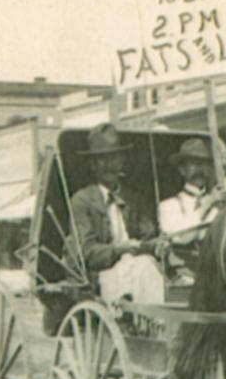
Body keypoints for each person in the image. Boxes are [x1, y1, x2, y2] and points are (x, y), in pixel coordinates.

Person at [67, 123, 164, 304]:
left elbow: (148, 237)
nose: (109, 165)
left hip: (138, 268)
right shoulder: (82, 201)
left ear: (122, 161)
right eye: (102, 160)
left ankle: (155, 322)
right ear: (93, 165)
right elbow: (85, 252)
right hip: (102, 275)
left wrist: (157, 245)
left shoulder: (134, 199)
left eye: (114, 158)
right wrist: (119, 250)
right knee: (142, 267)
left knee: (146, 266)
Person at [157, 137, 226, 285]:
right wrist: (206, 205)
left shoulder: (219, 203)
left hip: (219, 275)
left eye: (203, 164)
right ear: (182, 170)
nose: (200, 170)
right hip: (187, 278)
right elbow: (183, 237)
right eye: (194, 164)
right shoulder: (169, 206)